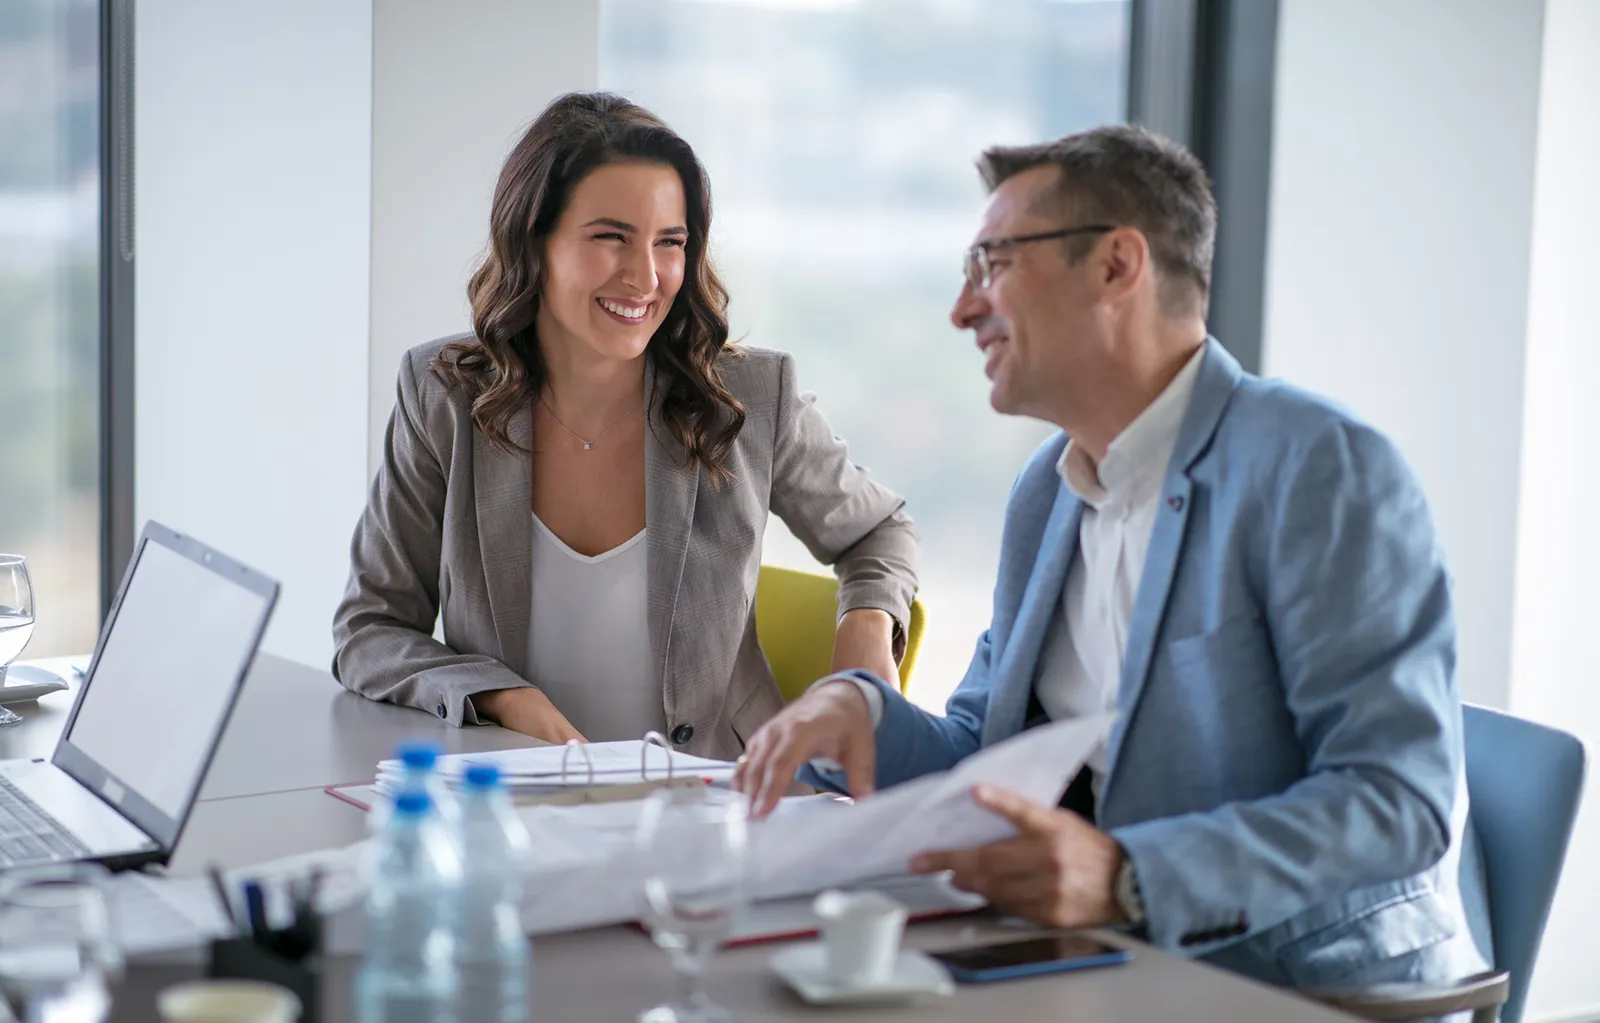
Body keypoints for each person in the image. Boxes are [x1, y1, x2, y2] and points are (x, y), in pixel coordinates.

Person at [733, 124, 1490, 993]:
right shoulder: (1046, 493)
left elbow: (1399, 800)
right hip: (1095, 965)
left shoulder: (1320, 469)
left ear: (1116, 266)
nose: (963, 307)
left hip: (1300, 986)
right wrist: (862, 711)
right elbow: (990, 746)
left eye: (992, 264)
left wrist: (1127, 873)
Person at [332, 93, 918, 760]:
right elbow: (370, 627)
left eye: (670, 243)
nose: (646, 277)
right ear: (535, 240)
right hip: (520, 810)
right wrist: (495, 695)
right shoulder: (444, 394)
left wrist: (867, 629)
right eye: (611, 237)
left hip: (715, 808)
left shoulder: (749, 397)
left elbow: (879, 531)